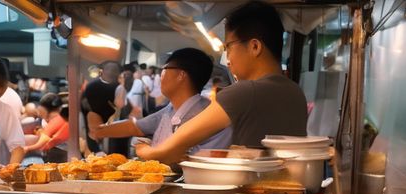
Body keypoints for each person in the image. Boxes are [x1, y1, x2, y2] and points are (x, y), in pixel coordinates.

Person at [137, 1, 307, 163]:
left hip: (251, 190)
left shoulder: (244, 92)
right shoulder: (295, 91)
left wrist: (143, 149)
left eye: (228, 47)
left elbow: (165, 150)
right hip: (287, 189)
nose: (227, 60)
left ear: (255, 47)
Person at [91, 48, 232, 155]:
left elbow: (179, 156)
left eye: (165, 69)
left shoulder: (204, 114)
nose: (161, 75)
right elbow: (136, 126)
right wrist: (100, 131)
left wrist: (144, 149)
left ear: (181, 75)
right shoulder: (170, 110)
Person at [82, 61, 123, 154]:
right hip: (96, 119)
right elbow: (87, 106)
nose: (112, 73)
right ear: (102, 71)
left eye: (115, 71)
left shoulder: (120, 87)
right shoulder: (92, 86)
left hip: (115, 124)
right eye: (109, 70)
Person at [23, 93, 70, 162]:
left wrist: (29, 147)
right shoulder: (42, 121)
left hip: (63, 153)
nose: (46, 120)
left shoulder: (66, 120)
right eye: (42, 116)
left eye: (48, 117)